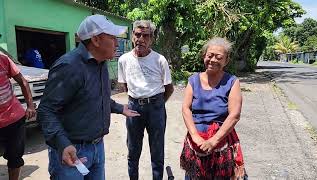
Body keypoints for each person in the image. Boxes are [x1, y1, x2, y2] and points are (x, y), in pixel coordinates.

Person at [37, 14, 140, 180]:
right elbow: (46, 110)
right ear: (96, 40)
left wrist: (120, 108)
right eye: (113, 37)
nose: (117, 42)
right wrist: (63, 144)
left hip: (97, 146)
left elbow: (94, 97)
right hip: (72, 151)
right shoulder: (69, 66)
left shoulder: (101, 63)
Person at [180, 37, 247, 179]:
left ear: (226, 61)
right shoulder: (193, 80)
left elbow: (234, 114)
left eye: (218, 57)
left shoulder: (232, 82)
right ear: (204, 56)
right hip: (195, 143)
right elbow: (186, 108)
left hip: (221, 142)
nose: (213, 60)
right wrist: (194, 136)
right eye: (209, 55)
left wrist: (214, 140)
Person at [118, 20, 174, 180]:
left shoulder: (160, 60)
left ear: (152, 39)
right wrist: (138, 100)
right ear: (132, 36)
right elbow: (125, 86)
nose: (141, 39)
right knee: (133, 151)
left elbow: (169, 88)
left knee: (157, 153)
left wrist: (157, 105)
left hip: (156, 108)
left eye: (146, 36)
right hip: (134, 106)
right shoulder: (124, 60)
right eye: (137, 34)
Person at [0, 51, 36, 180]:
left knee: (15, 157)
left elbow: (23, 82)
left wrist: (30, 106)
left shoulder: (3, 59)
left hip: (14, 118)